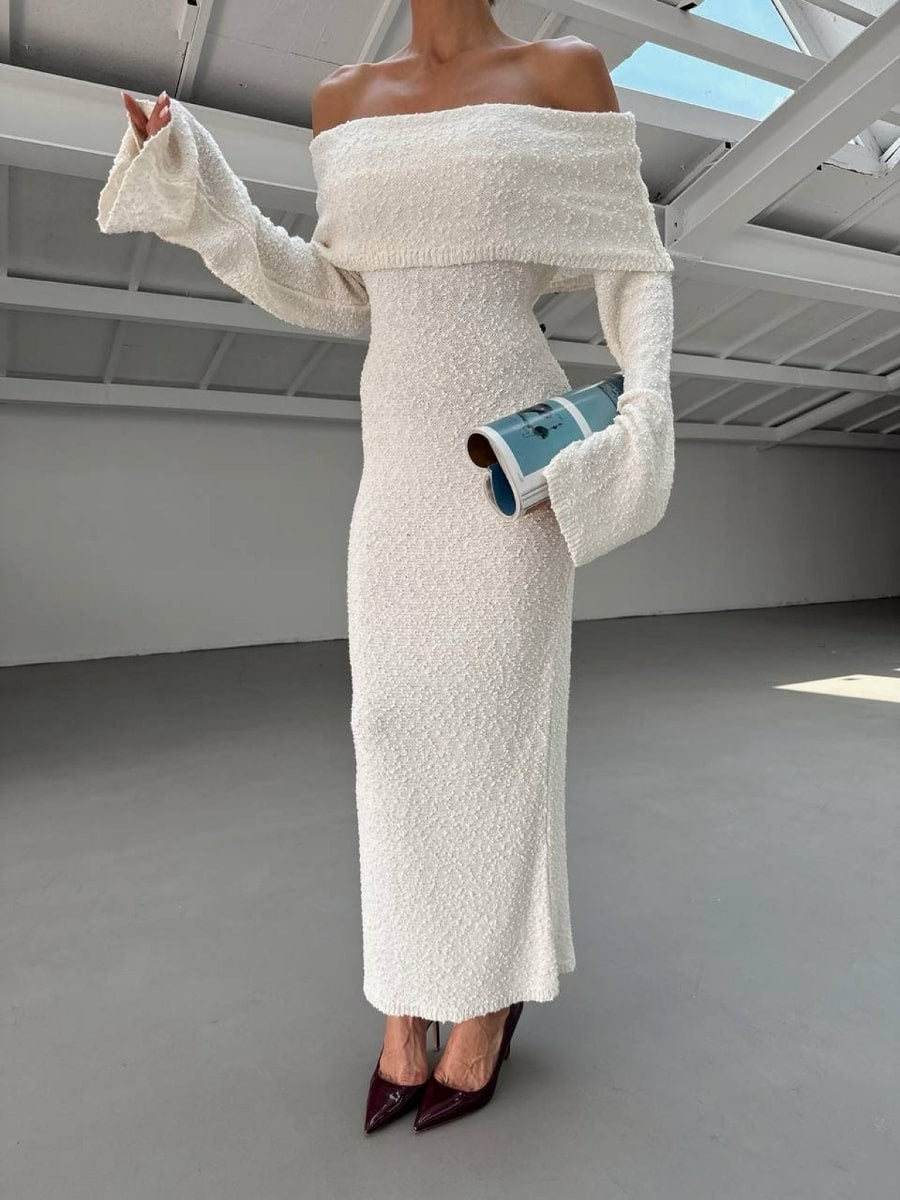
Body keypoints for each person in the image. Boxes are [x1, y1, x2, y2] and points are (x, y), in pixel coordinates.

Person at [99, 0, 675, 1135]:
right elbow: (335, 287)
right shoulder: (343, 102)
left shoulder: (565, 72)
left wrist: (645, 407)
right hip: (399, 476)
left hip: (507, 469)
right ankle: (407, 996)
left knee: (498, 735)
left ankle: (486, 1000)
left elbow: (633, 265)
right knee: (393, 736)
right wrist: (193, 177)